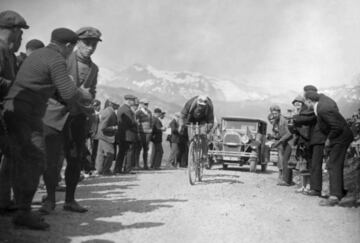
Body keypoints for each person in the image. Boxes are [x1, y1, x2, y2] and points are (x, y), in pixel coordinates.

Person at [3, 27, 92, 230]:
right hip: (26, 113)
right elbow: (68, 93)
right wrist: (84, 94)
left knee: (22, 160)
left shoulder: (40, 54)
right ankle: (23, 212)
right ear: (69, 46)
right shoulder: (56, 59)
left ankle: (20, 209)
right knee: (36, 160)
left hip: (16, 110)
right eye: (73, 47)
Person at [40, 26, 101, 215]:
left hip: (77, 119)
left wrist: (88, 106)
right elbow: (50, 86)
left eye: (94, 44)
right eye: (86, 43)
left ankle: (70, 200)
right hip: (55, 116)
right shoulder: (63, 58)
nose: (90, 47)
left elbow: (91, 93)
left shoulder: (94, 68)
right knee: (51, 160)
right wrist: (77, 93)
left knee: (74, 160)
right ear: (77, 43)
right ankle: (49, 200)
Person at [0, 10, 29, 216]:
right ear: (13, 31)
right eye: (20, 33)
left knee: (9, 155)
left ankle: (3, 200)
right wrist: (19, 88)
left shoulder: (7, 52)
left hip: (5, 113)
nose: (21, 37)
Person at [304, 90, 354, 206]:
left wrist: (328, 140)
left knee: (333, 164)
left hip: (341, 136)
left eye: (306, 102)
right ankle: (339, 192)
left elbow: (336, 127)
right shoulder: (323, 102)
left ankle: (334, 196)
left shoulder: (322, 108)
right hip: (341, 135)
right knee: (335, 164)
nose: (306, 105)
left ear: (309, 101)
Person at [179, 95, 215, 164]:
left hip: (203, 120)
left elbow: (211, 121)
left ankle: (204, 155)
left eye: (203, 106)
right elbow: (182, 115)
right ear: (197, 103)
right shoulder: (190, 103)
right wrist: (181, 125)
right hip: (191, 118)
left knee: (203, 135)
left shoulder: (209, 106)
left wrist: (207, 129)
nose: (201, 107)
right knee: (190, 137)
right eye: (200, 105)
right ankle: (192, 151)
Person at [270, 105, 293, 186]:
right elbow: (279, 133)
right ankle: (286, 179)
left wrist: (279, 141)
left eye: (276, 113)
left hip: (290, 142)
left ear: (279, 113)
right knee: (283, 160)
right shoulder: (277, 121)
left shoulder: (283, 121)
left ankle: (286, 180)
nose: (274, 115)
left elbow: (288, 133)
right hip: (284, 142)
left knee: (285, 160)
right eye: (273, 113)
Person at [115, 94, 138, 174]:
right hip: (128, 135)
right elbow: (131, 122)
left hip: (123, 134)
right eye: (133, 100)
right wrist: (136, 122)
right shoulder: (127, 110)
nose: (134, 101)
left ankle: (117, 169)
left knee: (121, 152)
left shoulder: (122, 108)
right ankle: (127, 169)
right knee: (129, 152)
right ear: (128, 100)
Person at [95, 99, 118, 175]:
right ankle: (106, 170)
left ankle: (100, 169)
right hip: (106, 136)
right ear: (111, 104)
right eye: (116, 104)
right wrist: (114, 128)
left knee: (100, 154)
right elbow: (103, 127)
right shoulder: (110, 112)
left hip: (102, 135)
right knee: (110, 153)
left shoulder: (108, 111)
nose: (118, 106)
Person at [135, 98, 152, 169]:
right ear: (141, 104)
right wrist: (138, 132)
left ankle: (145, 165)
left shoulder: (149, 112)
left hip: (148, 132)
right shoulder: (138, 112)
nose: (146, 105)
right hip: (141, 132)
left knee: (146, 149)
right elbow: (137, 123)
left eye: (147, 104)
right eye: (145, 104)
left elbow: (151, 122)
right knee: (139, 148)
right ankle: (137, 164)